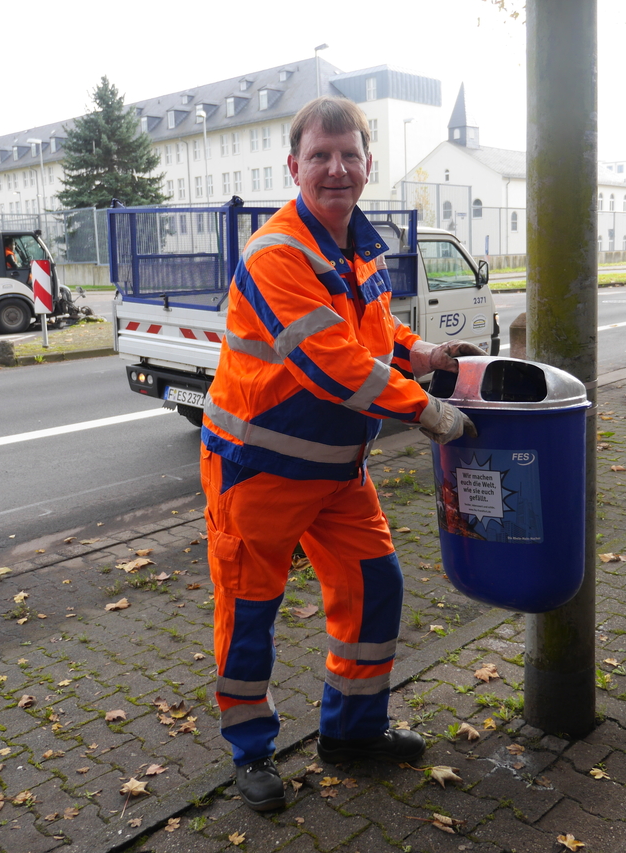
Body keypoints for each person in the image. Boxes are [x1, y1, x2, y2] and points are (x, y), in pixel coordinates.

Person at [200, 96, 482, 813]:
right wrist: (431, 411)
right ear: (294, 166)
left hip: (335, 471)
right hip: (257, 470)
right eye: (319, 156)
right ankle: (252, 750)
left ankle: (352, 733)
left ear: (367, 165)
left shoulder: (360, 245)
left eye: (348, 155)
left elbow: (373, 333)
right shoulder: (278, 254)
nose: (335, 169)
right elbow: (334, 366)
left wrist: (424, 352)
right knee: (250, 611)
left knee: (374, 585)